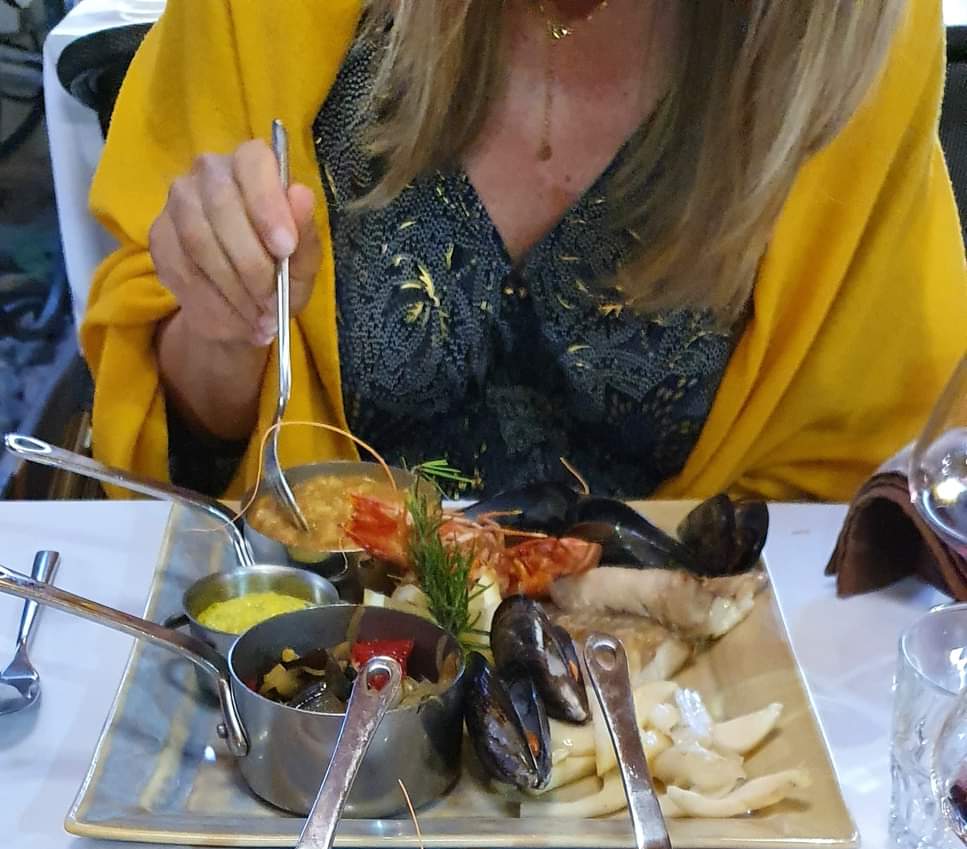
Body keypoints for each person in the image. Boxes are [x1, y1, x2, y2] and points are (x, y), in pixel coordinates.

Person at [83, 0, 965, 503]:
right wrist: (225, 327)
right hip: (328, 657)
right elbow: (184, 460)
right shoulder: (263, 19)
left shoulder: (846, 45)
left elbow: (866, 486)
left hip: (699, 690)